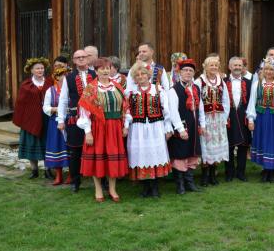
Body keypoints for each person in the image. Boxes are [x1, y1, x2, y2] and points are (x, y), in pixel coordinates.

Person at [77, 58, 129, 202]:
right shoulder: (91, 88)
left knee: (112, 158)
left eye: (108, 68)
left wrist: (125, 125)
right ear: (96, 71)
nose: (106, 71)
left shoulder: (118, 86)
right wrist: (87, 131)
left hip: (114, 128)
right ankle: (98, 189)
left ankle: (112, 189)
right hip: (97, 128)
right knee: (97, 158)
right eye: (102, 68)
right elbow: (84, 111)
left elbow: (125, 107)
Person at [126, 62, 172, 197]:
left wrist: (168, 128)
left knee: (155, 154)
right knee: (141, 155)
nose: (141, 76)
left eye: (143, 74)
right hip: (137, 129)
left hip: (155, 127)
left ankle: (155, 187)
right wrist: (126, 126)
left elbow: (166, 110)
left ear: (148, 75)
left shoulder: (158, 89)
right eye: (137, 75)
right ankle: (145, 187)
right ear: (134, 78)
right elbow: (127, 111)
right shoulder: (131, 92)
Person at [57, 49, 97, 192]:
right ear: (73, 61)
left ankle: (101, 179)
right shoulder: (68, 78)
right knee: (75, 151)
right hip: (76, 118)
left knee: (97, 149)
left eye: (83, 57)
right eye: (77, 57)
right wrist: (60, 120)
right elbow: (63, 100)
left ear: (88, 58)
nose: (81, 59)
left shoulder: (95, 75)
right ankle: (75, 181)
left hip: (95, 118)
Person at [246, 58, 274, 182]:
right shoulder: (257, 84)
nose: (268, 71)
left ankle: (272, 172)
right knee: (263, 142)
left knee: (273, 142)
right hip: (261, 117)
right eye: (266, 69)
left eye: (271, 69)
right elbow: (252, 102)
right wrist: (251, 119)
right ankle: (266, 170)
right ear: (262, 70)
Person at [167, 58, 204, 194]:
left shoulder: (196, 88)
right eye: (185, 70)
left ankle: (190, 182)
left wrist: (202, 124)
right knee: (180, 154)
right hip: (182, 128)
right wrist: (180, 129)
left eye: (191, 71)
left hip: (194, 127)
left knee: (192, 153)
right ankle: (180, 185)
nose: (188, 73)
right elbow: (173, 112)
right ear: (180, 72)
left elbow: (200, 108)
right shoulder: (174, 90)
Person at [12, 57, 53, 179]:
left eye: (42, 68)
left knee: (47, 143)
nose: (40, 70)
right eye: (37, 68)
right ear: (31, 70)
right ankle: (34, 170)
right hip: (30, 120)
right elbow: (21, 103)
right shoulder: (26, 85)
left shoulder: (50, 82)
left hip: (47, 118)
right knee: (31, 143)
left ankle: (48, 170)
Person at [195, 56, 230, 186]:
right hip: (206, 119)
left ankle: (213, 175)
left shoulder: (221, 81)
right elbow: (198, 102)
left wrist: (224, 117)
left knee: (218, 145)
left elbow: (226, 100)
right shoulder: (199, 82)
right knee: (206, 145)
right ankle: (204, 176)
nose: (214, 68)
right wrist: (201, 121)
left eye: (216, 65)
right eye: (211, 65)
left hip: (219, 119)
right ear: (205, 67)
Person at [224, 57, 252, 182]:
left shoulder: (249, 82)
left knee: (243, 145)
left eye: (240, 65)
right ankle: (229, 172)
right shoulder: (223, 82)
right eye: (235, 65)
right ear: (230, 67)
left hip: (243, 116)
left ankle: (241, 172)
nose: (237, 68)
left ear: (243, 67)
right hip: (228, 117)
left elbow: (251, 102)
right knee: (228, 145)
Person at [43, 67, 71, 185]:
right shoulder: (51, 91)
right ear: (57, 77)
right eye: (62, 76)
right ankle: (58, 175)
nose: (64, 78)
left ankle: (71, 174)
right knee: (56, 147)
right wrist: (57, 109)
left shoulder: (71, 89)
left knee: (70, 147)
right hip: (55, 122)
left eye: (66, 75)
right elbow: (45, 108)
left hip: (70, 120)